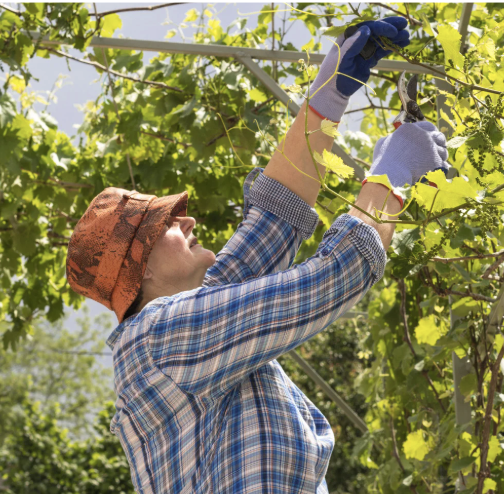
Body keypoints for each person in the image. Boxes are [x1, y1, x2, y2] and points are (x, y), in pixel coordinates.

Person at [65, 16, 450, 494]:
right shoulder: (159, 339)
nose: (187, 220)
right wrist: (391, 175)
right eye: (165, 224)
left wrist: (327, 96)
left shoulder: (181, 326)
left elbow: (276, 218)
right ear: (135, 269)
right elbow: (335, 277)